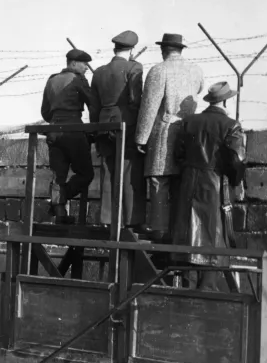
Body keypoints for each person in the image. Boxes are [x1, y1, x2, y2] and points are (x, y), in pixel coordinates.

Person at [172, 82, 246, 291]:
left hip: (188, 184)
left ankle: (187, 297)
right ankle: (207, 297)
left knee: (189, 244)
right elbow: (236, 161)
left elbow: (178, 154)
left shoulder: (189, 122)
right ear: (224, 100)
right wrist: (235, 182)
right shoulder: (231, 125)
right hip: (215, 186)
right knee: (213, 244)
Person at [134, 33, 204, 241]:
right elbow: (199, 89)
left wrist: (141, 137)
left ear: (164, 50)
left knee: (159, 180)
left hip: (164, 131)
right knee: (182, 182)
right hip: (189, 131)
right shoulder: (196, 70)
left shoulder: (159, 70)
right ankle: (180, 232)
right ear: (181, 49)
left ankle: (159, 230)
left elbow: (149, 106)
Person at [89, 30, 147, 231]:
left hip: (104, 124)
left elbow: (93, 107)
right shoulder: (134, 67)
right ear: (132, 50)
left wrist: (97, 131)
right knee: (129, 169)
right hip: (126, 124)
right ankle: (130, 220)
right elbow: (136, 100)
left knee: (107, 168)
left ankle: (107, 218)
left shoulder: (99, 72)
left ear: (115, 49)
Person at [41, 48, 94, 222]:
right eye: (84, 64)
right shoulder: (78, 80)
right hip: (74, 131)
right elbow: (92, 104)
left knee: (58, 176)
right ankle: (60, 200)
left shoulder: (52, 80)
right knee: (86, 174)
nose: (87, 67)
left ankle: (59, 210)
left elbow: (45, 112)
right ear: (73, 63)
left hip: (54, 132)